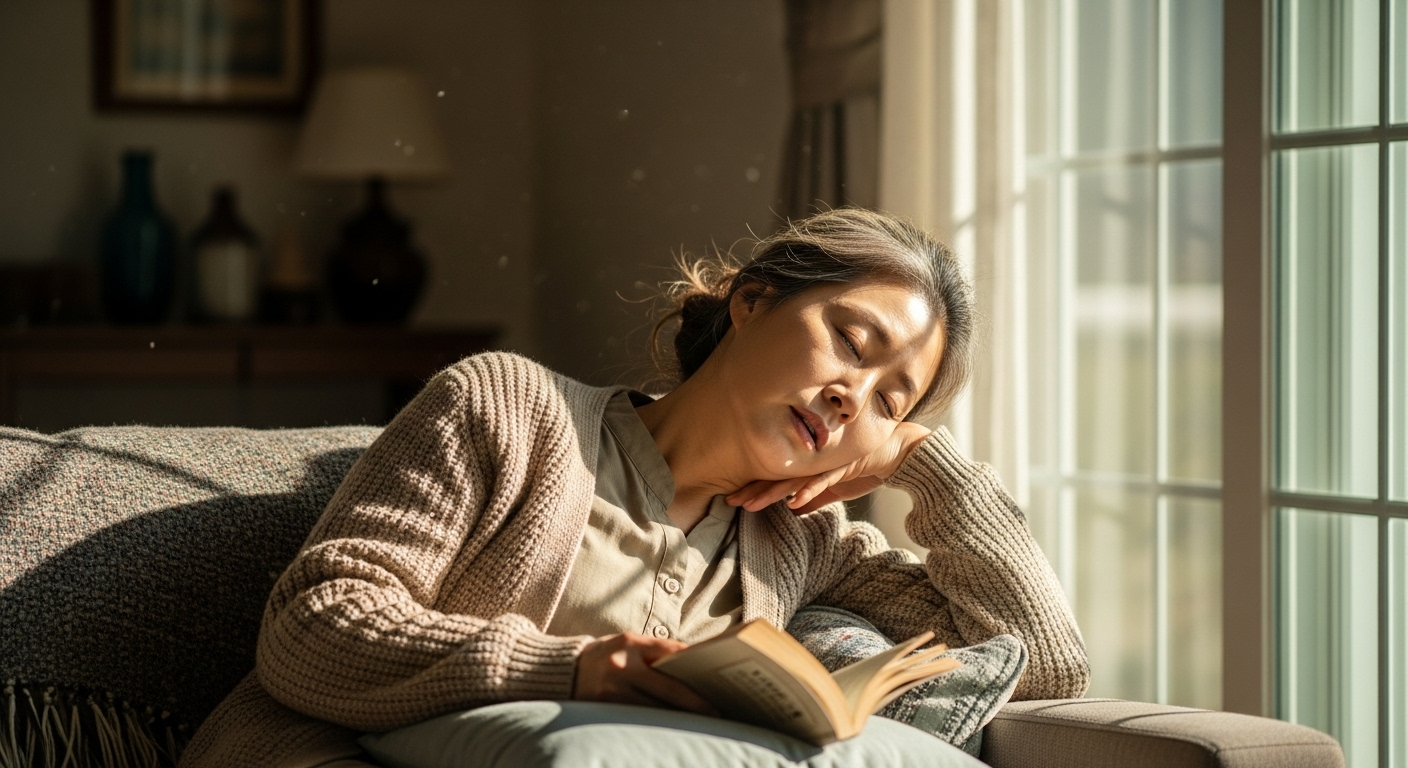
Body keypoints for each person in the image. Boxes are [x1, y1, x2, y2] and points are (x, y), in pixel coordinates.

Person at [179, 208, 1089, 768]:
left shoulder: (800, 541)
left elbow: (1040, 660)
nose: (854, 395)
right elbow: (309, 628)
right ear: (754, 300)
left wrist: (926, 463)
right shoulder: (508, 408)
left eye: (890, 399)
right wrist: (570, 670)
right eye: (851, 342)